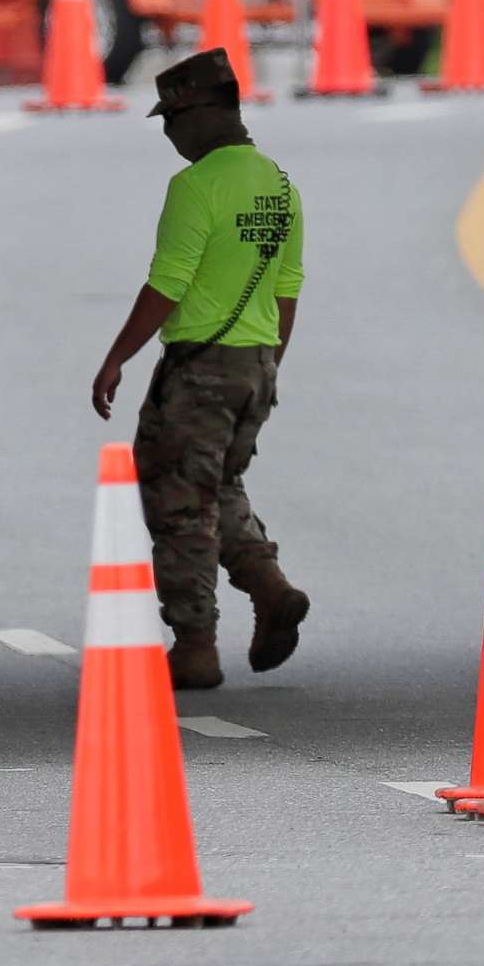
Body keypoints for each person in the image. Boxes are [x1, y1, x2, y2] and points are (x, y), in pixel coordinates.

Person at [88, 48, 310, 691]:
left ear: (207, 114)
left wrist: (116, 358)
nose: (167, 132)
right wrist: (267, 364)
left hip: (199, 370)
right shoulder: (280, 185)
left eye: (172, 118)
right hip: (256, 365)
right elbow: (287, 287)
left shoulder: (195, 187)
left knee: (179, 502)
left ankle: (194, 644)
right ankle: (269, 589)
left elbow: (168, 284)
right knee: (219, 487)